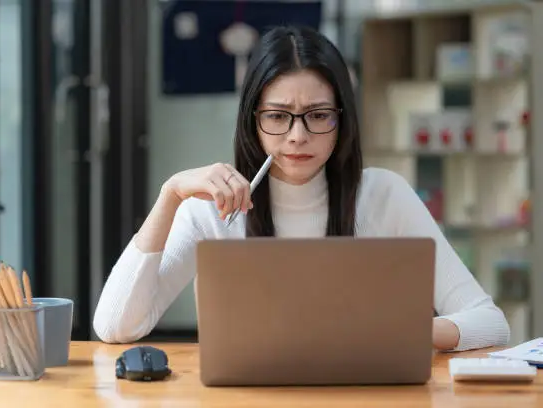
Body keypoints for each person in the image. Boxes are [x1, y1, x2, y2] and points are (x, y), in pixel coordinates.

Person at [93, 25, 510, 351]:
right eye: (277, 116)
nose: (297, 136)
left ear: (342, 119)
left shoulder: (385, 194)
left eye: (318, 115)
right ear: (252, 120)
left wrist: (394, 333)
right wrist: (170, 195)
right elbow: (115, 327)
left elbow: (489, 322)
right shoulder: (213, 209)